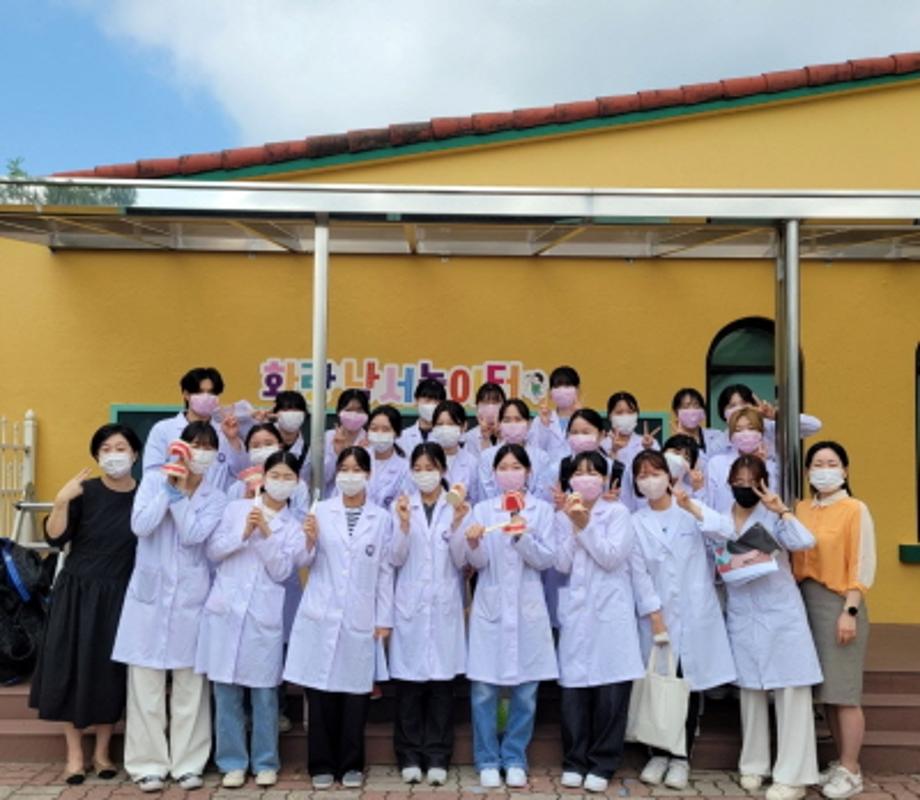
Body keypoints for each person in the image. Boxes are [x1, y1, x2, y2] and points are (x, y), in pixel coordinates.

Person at [111, 421, 227, 792]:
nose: (201, 453)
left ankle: (188, 764)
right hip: (149, 599)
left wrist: (179, 498)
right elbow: (141, 526)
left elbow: (193, 535)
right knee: (145, 684)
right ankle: (147, 765)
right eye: (196, 445)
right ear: (181, 448)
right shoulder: (152, 481)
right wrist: (169, 488)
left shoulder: (216, 497)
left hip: (192, 599)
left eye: (208, 447)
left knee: (190, 686)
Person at [29, 424, 142, 784]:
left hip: (121, 593)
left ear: (135, 454)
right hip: (77, 591)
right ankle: (74, 756)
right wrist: (61, 500)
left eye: (121, 447)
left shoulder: (145, 496)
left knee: (109, 672)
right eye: (106, 449)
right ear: (96, 456)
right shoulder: (84, 492)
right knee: (70, 667)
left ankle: (102, 753)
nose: (114, 455)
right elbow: (55, 537)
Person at [283, 447, 394, 790]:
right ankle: (320, 763)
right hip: (321, 612)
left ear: (368, 475)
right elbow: (301, 559)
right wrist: (308, 539)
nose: (350, 475)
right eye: (344, 469)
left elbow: (385, 571)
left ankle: (351, 764)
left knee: (355, 694)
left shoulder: (381, 518)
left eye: (357, 469)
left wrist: (384, 619)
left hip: (361, 616)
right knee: (320, 692)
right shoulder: (321, 511)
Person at [197, 451, 306, 789]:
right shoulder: (236, 509)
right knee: (226, 691)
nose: (280, 482)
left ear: (297, 483)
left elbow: (283, 571)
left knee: (264, 694)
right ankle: (231, 762)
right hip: (226, 611)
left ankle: (265, 761)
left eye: (288, 477)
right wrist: (243, 533)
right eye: (276, 475)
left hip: (263, 617)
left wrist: (266, 535)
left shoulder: (294, 526)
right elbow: (213, 551)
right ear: (264, 477)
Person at [628, 450, 737, 790]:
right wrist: (654, 615)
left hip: (695, 613)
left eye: (655, 472)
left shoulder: (689, 511)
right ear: (636, 483)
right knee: (659, 686)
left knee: (686, 687)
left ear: (669, 477)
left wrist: (692, 506)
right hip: (657, 617)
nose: (650, 480)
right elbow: (639, 574)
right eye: (642, 475)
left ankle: (681, 757)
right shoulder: (635, 522)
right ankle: (657, 754)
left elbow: (727, 532)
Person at [716, 455, 822, 800]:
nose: (744, 487)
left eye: (752, 481)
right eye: (739, 481)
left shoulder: (773, 516)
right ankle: (754, 764)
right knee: (751, 691)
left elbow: (805, 541)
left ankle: (793, 775)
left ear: (763, 483)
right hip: (743, 613)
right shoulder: (721, 518)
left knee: (791, 690)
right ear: (729, 482)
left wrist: (782, 511)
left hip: (780, 612)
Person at [462, 443, 558, 789]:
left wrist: (522, 537)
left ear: (528, 472)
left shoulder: (542, 511)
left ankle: (515, 756)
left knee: (526, 692)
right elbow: (478, 563)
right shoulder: (483, 510)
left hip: (528, 606)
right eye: (503, 467)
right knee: (484, 691)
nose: (510, 473)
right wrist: (473, 543)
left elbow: (546, 560)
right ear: (494, 474)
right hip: (491, 605)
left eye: (516, 467)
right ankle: (487, 758)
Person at [553, 451, 646, 793]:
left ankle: (603, 762)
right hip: (577, 612)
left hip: (610, 612)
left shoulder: (618, 513)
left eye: (593, 472)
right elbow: (561, 564)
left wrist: (584, 525)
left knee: (610, 692)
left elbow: (611, 557)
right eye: (579, 472)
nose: (585, 478)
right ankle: (574, 760)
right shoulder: (562, 515)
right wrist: (572, 523)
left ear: (605, 479)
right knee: (573, 693)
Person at [793, 442, 876, 800]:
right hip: (804, 601)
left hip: (839, 602)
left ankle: (852, 769)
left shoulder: (854, 509)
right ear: (808, 471)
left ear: (844, 470)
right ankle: (841, 762)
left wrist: (850, 610)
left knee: (844, 692)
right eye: (817, 463)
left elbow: (862, 562)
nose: (824, 469)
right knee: (828, 692)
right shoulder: (801, 508)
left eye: (831, 463)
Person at [389, 443, 470, 785]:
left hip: (444, 604)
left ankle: (438, 755)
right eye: (418, 468)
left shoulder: (458, 506)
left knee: (441, 688)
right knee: (409, 688)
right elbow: (394, 557)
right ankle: (408, 754)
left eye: (430, 467)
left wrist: (459, 524)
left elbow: (462, 560)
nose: (424, 474)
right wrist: (404, 526)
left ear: (442, 470)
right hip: (410, 605)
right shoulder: (400, 506)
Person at [142, 366, 245, 489]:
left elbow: (241, 473)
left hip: (217, 500)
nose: (206, 397)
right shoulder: (163, 430)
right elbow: (151, 475)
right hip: (175, 498)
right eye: (200, 392)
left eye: (211, 393)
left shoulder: (226, 431)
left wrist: (232, 440)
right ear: (186, 394)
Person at [706, 408, 778, 513]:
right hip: (723, 521)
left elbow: (773, 500)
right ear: (731, 435)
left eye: (751, 428)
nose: (745, 434)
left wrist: (762, 467)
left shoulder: (771, 466)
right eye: (738, 430)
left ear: (761, 432)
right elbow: (709, 503)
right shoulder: (717, 464)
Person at [478, 399, 549, 499]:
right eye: (507, 420)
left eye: (518, 419)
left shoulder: (542, 457)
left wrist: (525, 506)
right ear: (499, 424)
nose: (512, 424)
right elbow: (486, 492)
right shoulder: (487, 456)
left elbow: (542, 492)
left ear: (528, 423)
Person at [603, 392, 660, 511]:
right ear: (609, 416)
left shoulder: (649, 443)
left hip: (646, 509)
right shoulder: (602, 445)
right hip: (613, 508)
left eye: (630, 412)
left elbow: (660, 473)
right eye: (619, 412)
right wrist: (613, 451)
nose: (625, 416)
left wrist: (648, 450)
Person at [323, 389, 370, 497]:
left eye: (359, 410)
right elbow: (322, 478)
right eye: (348, 410)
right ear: (339, 412)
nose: (354, 414)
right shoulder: (328, 437)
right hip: (330, 499)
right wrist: (336, 454)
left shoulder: (370, 440)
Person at [430, 400, 480, 503]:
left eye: (451, 424)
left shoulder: (471, 462)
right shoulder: (425, 458)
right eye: (440, 424)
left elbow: (475, 499)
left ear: (464, 426)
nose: (445, 428)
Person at [533, 366, 582, 461]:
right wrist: (544, 426)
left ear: (577, 390)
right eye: (557, 386)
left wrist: (580, 416)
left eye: (567, 386)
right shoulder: (540, 420)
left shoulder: (586, 419)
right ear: (550, 392)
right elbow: (536, 450)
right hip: (548, 469)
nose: (562, 390)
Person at [365, 404, 409, 510]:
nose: (379, 434)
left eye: (385, 429)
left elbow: (404, 501)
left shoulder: (405, 468)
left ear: (397, 433)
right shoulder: (357, 459)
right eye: (374, 429)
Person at [669, 388, 725, 464]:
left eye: (696, 405)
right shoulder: (672, 445)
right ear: (676, 412)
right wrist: (684, 441)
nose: (692, 410)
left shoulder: (717, 436)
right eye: (686, 407)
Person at [397, 378, 447, 453]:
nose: (432, 405)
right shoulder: (402, 437)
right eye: (427, 400)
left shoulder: (447, 437)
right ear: (417, 401)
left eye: (436, 402)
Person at [271, 390, 311, 482]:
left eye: (296, 410)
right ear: (275, 413)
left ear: (304, 414)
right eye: (285, 410)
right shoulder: (262, 436)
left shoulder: (308, 451)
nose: (291, 414)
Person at [461, 382, 507, 455]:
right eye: (485, 402)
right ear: (477, 407)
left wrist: (500, 436)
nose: (491, 407)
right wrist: (485, 438)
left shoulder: (511, 432)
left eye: (496, 402)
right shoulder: (469, 437)